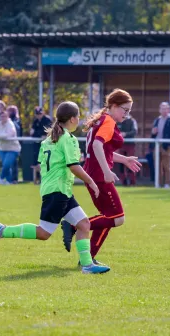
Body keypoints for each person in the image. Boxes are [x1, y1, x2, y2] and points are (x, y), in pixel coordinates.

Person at [0, 101, 110, 274]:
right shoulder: (68, 138)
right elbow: (73, 166)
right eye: (78, 117)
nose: (79, 120)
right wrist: (91, 181)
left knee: (83, 223)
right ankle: (3, 230)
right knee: (44, 233)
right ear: (73, 119)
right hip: (57, 192)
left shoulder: (50, 139)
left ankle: (87, 265)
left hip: (59, 190)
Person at [61, 89, 141, 266]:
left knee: (108, 218)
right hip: (98, 176)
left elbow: (103, 150)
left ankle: (86, 259)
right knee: (118, 218)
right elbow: (97, 145)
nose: (127, 115)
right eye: (124, 110)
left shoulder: (101, 119)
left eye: (129, 111)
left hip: (92, 174)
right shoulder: (108, 121)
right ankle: (73, 226)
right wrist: (106, 172)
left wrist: (124, 159)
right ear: (113, 106)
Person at [151, 102, 170, 189]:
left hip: (166, 146)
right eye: (162, 108)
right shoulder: (157, 120)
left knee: (166, 166)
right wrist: (153, 133)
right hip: (157, 145)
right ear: (159, 110)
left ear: (168, 109)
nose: (164, 110)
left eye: (165, 108)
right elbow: (153, 134)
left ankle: (167, 184)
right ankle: (158, 183)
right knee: (157, 166)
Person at [0, 111, 21, 185]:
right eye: (1, 116)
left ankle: (1, 178)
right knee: (6, 166)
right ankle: (9, 181)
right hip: (2, 148)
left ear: (7, 117)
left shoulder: (10, 124)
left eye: (4, 116)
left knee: (6, 164)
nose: (3, 118)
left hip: (13, 149)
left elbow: (10, 134)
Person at [30, 107, 52, 184]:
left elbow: (48, 132)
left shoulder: (47, 120)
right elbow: (32, 132)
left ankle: (45, 179)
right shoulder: (35, 121)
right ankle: (36, 179)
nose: (39, 115)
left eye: (40, 114)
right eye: (37, 114)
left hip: (46, 145)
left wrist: (40, 134)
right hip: (37, 144)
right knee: (36, 161)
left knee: (45, 161)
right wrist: (39, 134)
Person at [117, 114, 138, 185]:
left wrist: (125, 134)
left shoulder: (132, 121)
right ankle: (124, 182)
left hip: (130, 145)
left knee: (131, 163)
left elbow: (134, 132)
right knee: (121, 163)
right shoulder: (119, 121)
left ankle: (132, 182)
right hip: (121, 145)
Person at [7, 105, 22, 183]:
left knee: (14, 162)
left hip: (15, 144)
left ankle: (14, 179)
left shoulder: (16, 121)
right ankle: (9, 178)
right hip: (8, 145)